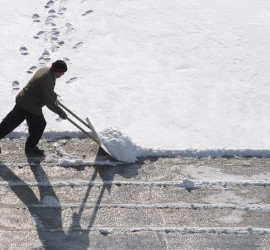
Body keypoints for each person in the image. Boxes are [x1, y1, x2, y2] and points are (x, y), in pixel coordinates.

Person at [0, 60, 68, 156]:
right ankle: (30, 147)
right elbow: (48, 102)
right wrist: (60, 112)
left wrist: (53, 96)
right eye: (62, 73)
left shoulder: (45, 70)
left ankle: (30, 146)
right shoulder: (47, 80)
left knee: (10, 122)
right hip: (30, 105)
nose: (62, 75)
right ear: (57, 72)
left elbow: (43, 90)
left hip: (23, 99)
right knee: (40, 124)